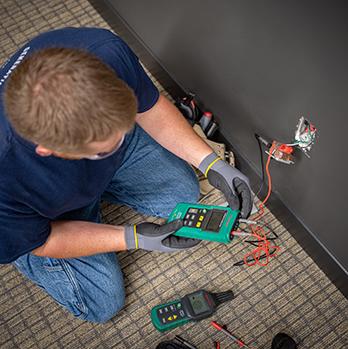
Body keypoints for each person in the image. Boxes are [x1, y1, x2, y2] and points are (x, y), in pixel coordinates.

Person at [0, 27, 252, 323]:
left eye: (121, 132)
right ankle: (19, 237)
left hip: (73, 171)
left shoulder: (105, 51)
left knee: (184, 195)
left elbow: (151, 109)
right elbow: (46, 242)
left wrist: (210, 163)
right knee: (103, 302)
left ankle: (102, 169)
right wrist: (132, 237)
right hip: (41, 218)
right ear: (47, 149)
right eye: (104, 148)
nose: (119, 143)